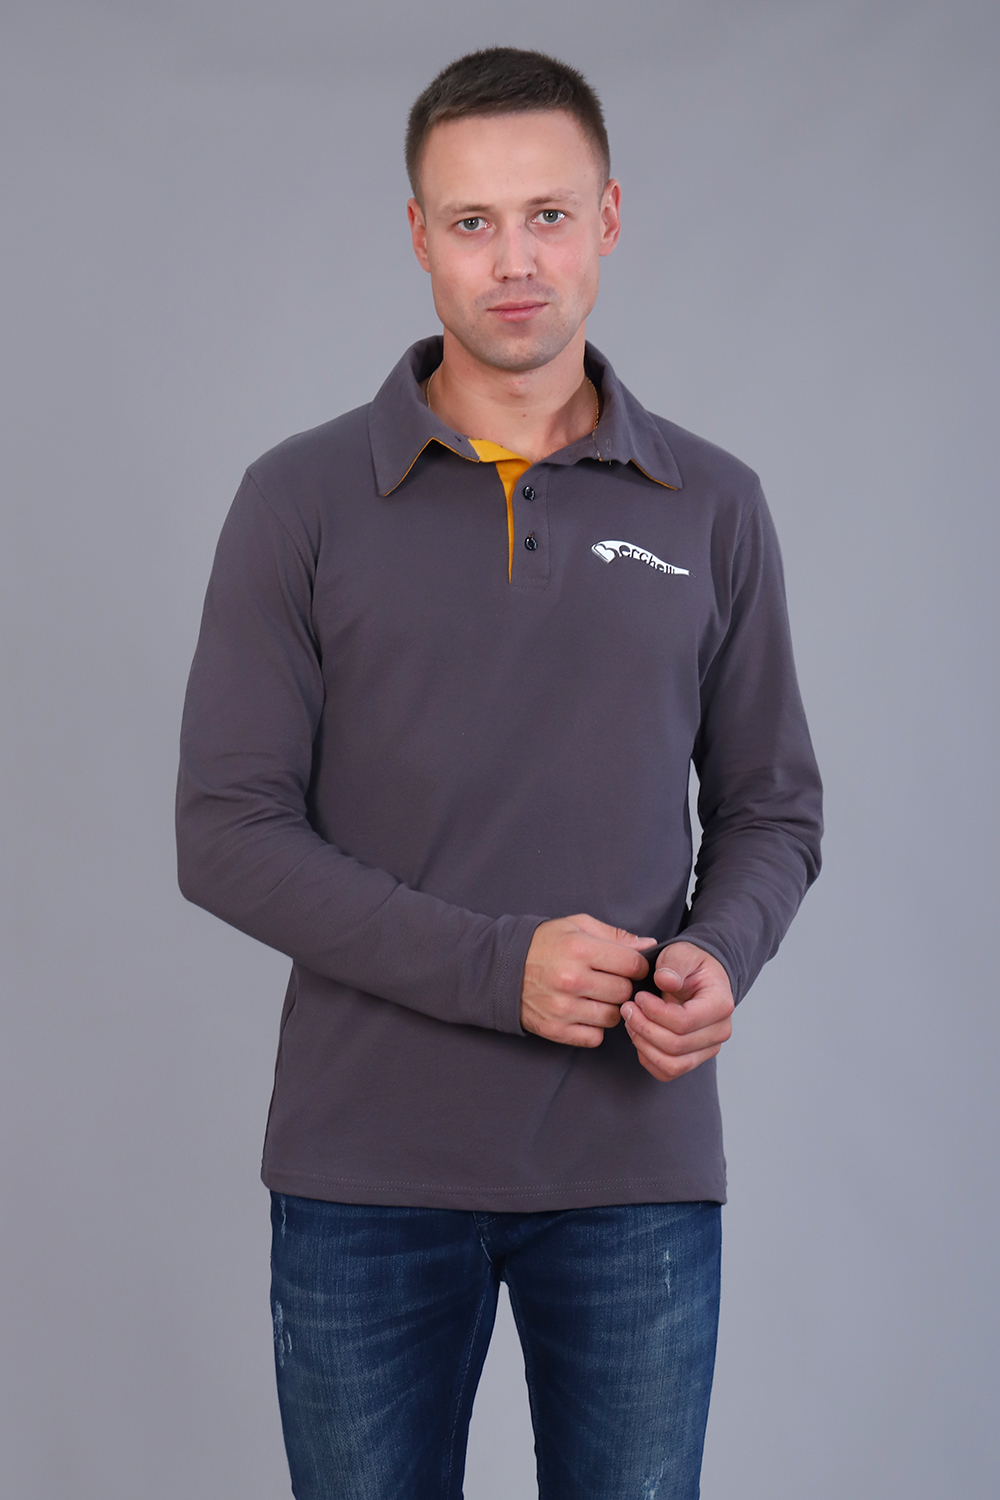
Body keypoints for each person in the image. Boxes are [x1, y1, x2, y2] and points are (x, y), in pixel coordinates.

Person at [176, 45, 822, 1500]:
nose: (513, 260)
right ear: (419, 236)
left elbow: (774, 804)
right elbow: (225, 831)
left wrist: (723, 952)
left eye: (547, 215)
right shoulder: (298, 500)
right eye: (472, 221)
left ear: (609, 220)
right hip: (363, 1174)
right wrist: (497, 968)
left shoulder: (713, 503)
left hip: (634, 1172)